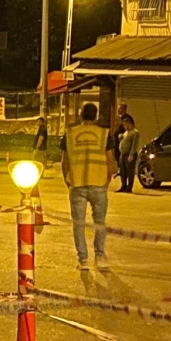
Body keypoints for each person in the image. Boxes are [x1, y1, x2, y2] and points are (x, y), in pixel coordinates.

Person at [61, 102, 116, 271]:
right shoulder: (105, 134)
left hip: (77, 183)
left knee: (78, 223)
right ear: (96, 115)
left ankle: (83, 259)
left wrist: (67, 179)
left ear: (81, 115)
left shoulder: (70, 134)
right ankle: (99, 256)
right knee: (99, 222)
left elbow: (65, 161)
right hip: (99, 183)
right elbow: (110, 160)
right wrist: (108, 178)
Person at [116, 114, 140, 193]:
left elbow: (134, 145)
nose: (124, 126)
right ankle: (123, 185)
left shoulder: (135, 133)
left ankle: (129, 187)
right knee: (123, 171)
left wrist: (131, 154)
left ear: (130, 124)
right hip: (122, 154)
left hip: (129, 155)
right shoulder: (126, 132)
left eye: (126, 124)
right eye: (123, 125)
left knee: (130, 171)